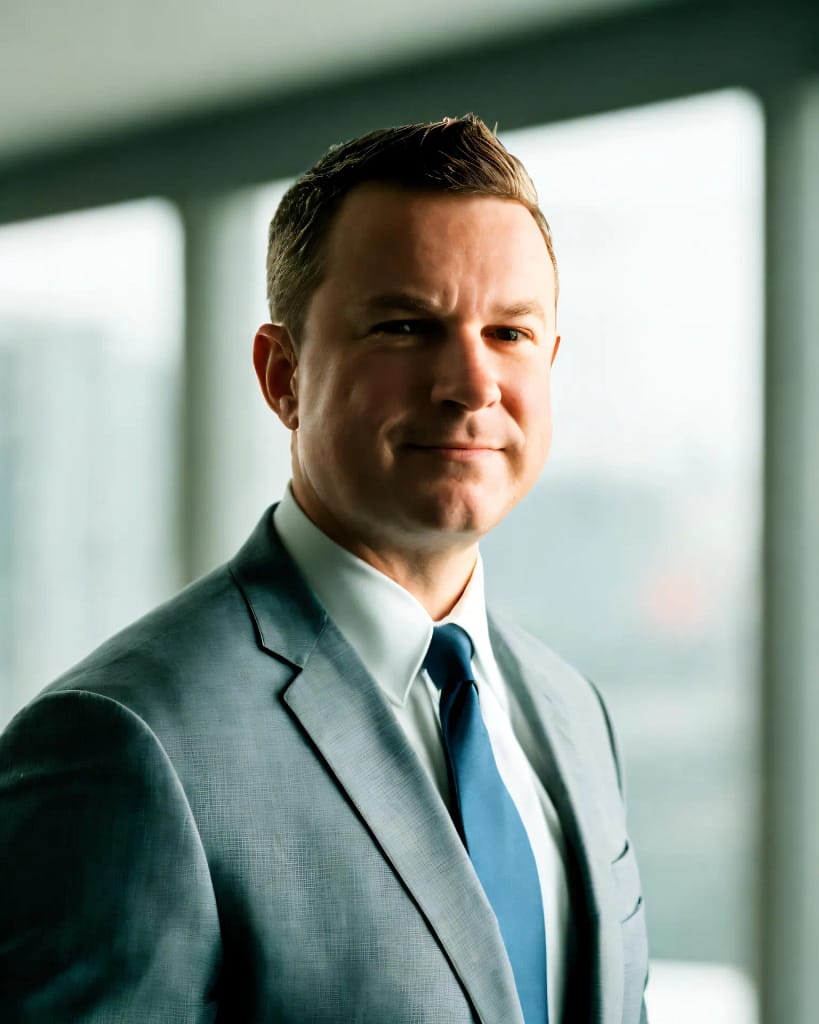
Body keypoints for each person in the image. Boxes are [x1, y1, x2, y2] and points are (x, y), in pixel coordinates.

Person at [0, 115, 649, 1023]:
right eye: (404, 326)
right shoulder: (118, 745)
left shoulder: (573, 713)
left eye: (508, 332)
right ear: (282, 376)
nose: (470, 382)